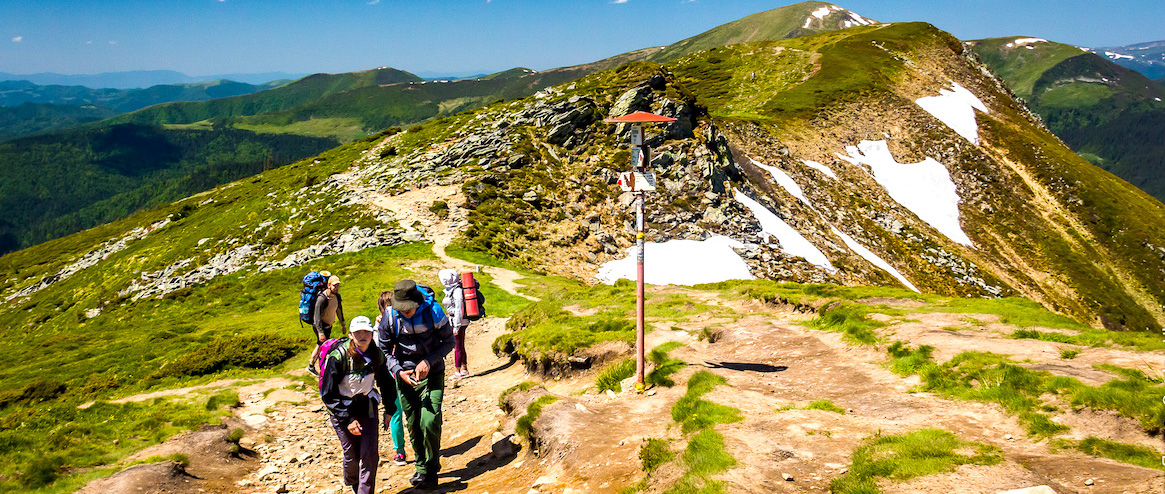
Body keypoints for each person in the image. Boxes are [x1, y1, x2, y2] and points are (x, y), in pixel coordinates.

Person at [376, 279, 454, 489]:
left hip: (432, 373)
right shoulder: (390, 317)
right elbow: (382, 349)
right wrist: (398, 370)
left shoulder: (434, 312)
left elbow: (449, 342)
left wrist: (429, 361)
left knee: (429, 420)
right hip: (405, 376)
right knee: (413, 422)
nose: (404, 312)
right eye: (401, 308)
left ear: (416, 302)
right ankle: (421, 468)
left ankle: (431, 467)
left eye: (408, 309)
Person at [320, 316, 394, 494]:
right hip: (341, 409)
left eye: (366, 332)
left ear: (371, 333)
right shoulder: (338, 357)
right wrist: (349, 419)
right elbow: (328, 394)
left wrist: (390, 409)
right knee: (351, 454)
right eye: (358, 332)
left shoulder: (377, 355)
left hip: (367, 406)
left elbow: (386, 382)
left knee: (369, 454)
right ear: (351, 335)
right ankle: (353, 483)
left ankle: (364, 491)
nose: (362, 335)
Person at [373, 290, 408, 466]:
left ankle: (399, 452)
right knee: (414, 409)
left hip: (388, 372)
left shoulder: (377, 326)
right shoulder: (403, 319)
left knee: (395, 413)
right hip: (406, 368)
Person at [438, 269, 471, 380]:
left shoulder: (456, 291)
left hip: (459, 321)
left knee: (457, 346)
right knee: (460, 345)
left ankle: (457, 371)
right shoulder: (453, 289)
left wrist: (456, 326)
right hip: (457, 321)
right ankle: (464, 369)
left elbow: (459, 309)